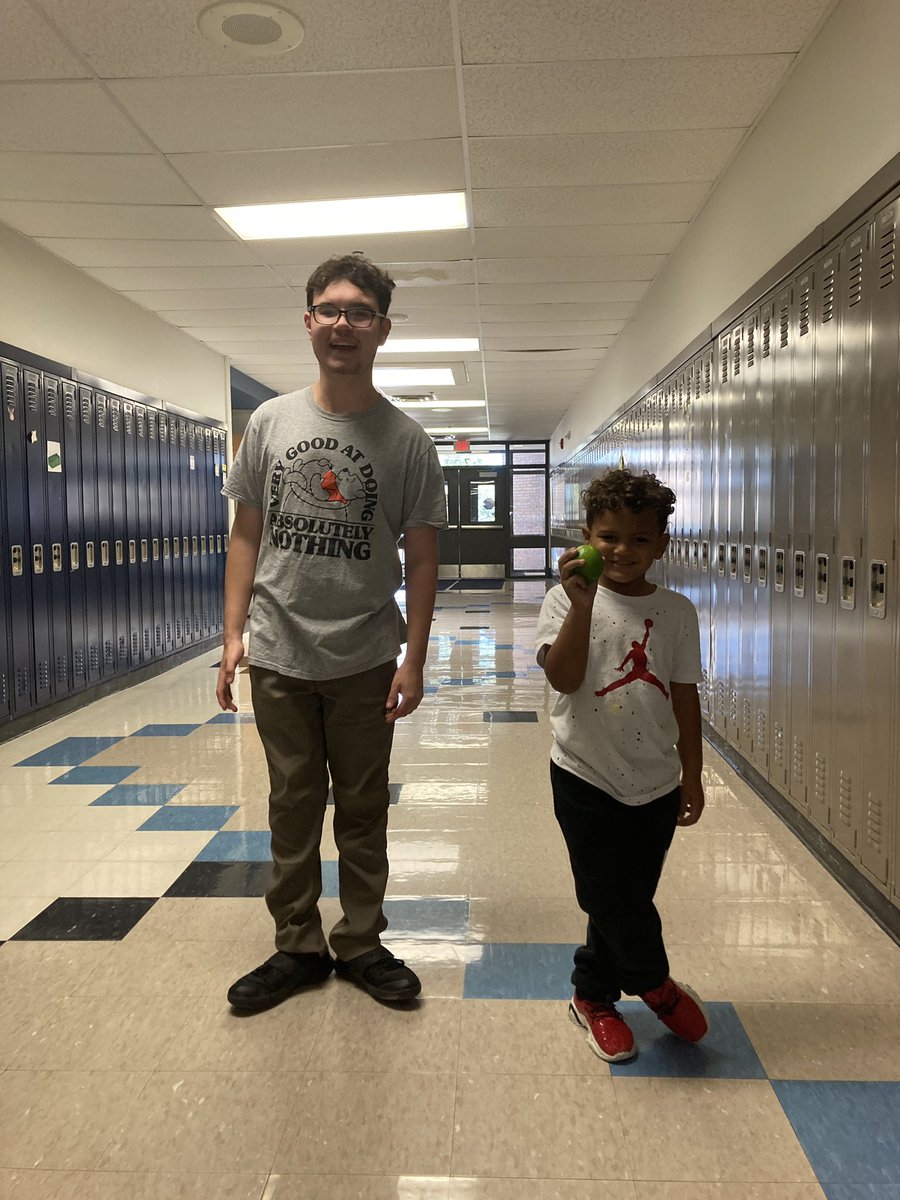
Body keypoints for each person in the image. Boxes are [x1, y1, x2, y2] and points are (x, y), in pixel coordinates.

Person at [217, 253, 447, 1010]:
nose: (343, 324)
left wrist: (415, 658)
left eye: (360, 313)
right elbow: (246, 535)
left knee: (362, 805)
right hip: (280, 650)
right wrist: (233, 636)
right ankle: (297, 946)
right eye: (331, 310)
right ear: (309, 321)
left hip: (365, 654)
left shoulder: (407, 441)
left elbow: (423, 559)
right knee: (290, 803)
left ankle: (361, 943)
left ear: (383, 328)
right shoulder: (270, 424)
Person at [535, 468, 709, 1062]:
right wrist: (582, 605)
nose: (621, 551)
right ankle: (655, 985)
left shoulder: (678, 611)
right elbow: (563, 677)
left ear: (661, 544)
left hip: (656, 781)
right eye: (608, 537)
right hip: (583, 772)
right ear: (587, 537)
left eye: (639, 539)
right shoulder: (563, 599)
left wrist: (693, 773)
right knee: (607, 894)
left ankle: (592, 996)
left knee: (624, 897)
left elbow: (684, 694)